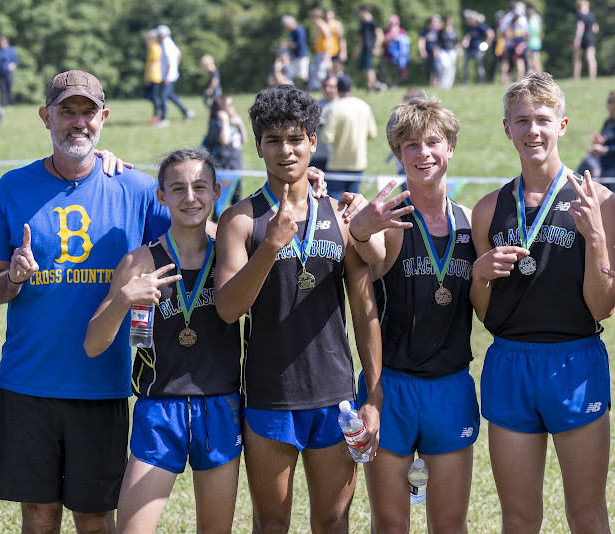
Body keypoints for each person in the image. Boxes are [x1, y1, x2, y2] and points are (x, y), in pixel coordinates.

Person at [0, 70, 171, 534]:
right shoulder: (12, 187)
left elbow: (198, 227)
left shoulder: (135, 188)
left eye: (88, 112)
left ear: (103, 118)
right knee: (38, 514)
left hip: (101, 385)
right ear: (46, 117)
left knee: (94, 517)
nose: (78, 122)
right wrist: (14, 277)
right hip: (28, 382)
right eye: (67, 111)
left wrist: (295, 186)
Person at [213, 84, 383, 533]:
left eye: (295, 138)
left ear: (312, 141)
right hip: (270, 395)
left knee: (334, 522)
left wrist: (374, 394)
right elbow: (228, 309)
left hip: (335, 396)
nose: (285, 150)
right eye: (273, 140)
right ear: (258, 146)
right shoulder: (241, 220)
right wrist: (269, 247)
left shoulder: (341, 216)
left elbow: (364, 309)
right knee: (271, 523)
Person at [471, 72, 615, 533]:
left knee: (587, 513)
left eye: (543, 120)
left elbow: (602, 307)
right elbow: (484, 311)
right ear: (507, 129)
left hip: (575, 361)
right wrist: (480, 274)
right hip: (510, 362)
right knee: (517, 516)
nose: (533, 130)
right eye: (522, 121)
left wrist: (596, 238)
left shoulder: (601, 202)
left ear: (563, 125)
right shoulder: (488, 209)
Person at [84, 149, 241, 534]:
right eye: (178, 188)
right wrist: (123, 299)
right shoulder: (139, 262)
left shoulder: (232, 249)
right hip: (159, 407)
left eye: (200, 187)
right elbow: (93, 344)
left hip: (219, 405)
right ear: (161, 196)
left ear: (216, 192)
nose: (190, 197)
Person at [349, 97, 479, 533]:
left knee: (449, 523)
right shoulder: (390, 221)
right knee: (390, 523)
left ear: (450, 148)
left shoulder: (470, 223)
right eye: (410, 145)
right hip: (392, 387)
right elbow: (370, 248)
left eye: (433, 142)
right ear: (398, 153)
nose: (423, 153)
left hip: (450, 385)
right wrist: (362, 229)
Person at [322, 74, 377, 196]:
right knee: (354, 200)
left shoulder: (335, 108)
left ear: (337, 89)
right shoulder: (364, 106)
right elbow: (372, 133)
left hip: (337, 164)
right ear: (351, 88)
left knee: (334, 200)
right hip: (358, 162)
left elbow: (327, 136)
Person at [202, 94, 247, 217]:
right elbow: (225, 140)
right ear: (222, 108)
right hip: (224, 172)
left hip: (236, 169)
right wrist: (225, 121)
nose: (233, 107)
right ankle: (214, 227)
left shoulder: (232, 124)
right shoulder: (216, 124)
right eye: (230, 105)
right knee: (219, 205)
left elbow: (244, 139)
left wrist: (240, 124)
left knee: (237, 203)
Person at [156, 24, 193, 128]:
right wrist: (175, 68)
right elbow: (178, 55)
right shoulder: (170, 43)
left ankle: (164, 119)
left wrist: (168, 75)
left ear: (162, 35)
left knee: (163, 96)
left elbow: (168, 62)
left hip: (168, 77)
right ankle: (186, 112)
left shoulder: (165, 44)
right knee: (170, 96)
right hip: (171, 75)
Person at [579, 90, 615, 186]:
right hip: (604, 164)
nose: (608, 103)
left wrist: (605, 150)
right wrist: (599, 141)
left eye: (611, 100)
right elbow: (606, 141)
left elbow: (608, 148)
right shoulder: (608, 122)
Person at [310, 74, 339, 172]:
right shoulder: (316, 105)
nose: (327, 89)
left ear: (337, 88)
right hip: (318, 155)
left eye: (331, 86)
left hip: (334, 157)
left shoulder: (340, 105)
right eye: (325, 86)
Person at [353, 5, 384, 92]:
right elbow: (362, 39)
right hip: (364, 49)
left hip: (370, 49)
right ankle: (377, 86)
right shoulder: (363, 24)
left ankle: (369, 88)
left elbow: (380, 35)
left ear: (364, 11)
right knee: (364, 69)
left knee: (368, 69)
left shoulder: (373, 22)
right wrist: (356, 51)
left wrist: (376, 47)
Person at [462, 10, 494, 84]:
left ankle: (481, 82)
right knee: (465, 65)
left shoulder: (480, 26)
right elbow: (468, 35)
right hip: (470, 49)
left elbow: (490, 33)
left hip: (478, 49)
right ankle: (465, 82)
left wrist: (487, 43)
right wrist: (465, 41)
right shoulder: (468, 27)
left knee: (479, 65)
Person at [380, 14, 410, 89]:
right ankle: (383, 85)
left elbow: (406, 43)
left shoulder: (402, 31)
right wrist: (389, 39)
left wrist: (398, 38)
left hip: (398, 56)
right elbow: (381, 41)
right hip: (386, 54)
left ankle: (394, 85)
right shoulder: (385, 31)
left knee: (396, 71)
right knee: (384, 71)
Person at [281, 15, 309, 89]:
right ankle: (293, 89)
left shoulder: (299, 30)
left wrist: (286, 45)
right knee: (291, 74)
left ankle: (307, 89)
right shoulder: (291, 32)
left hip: (301, 56)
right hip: (294, 56)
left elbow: (298, 44)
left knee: (303, 75)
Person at [309, 9, 333, 91]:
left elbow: (329, 39)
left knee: (321, 72)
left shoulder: (322, 25)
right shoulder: (318, 26)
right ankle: (318, 88)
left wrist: (327, 53)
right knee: (317, 71)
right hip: (319, 52)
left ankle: (323, 88)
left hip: (323, 52)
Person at [573, 0, 598, 80]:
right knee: (591, 58)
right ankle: (592, 77)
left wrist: (577, 40)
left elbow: (580, 27)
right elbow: (595, 29)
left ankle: (576, 77)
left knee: (577, 58)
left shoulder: (580, 15)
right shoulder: (592, 15)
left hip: (582, 39)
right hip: (590, 38)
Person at [143, 29, 162, 123]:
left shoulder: (154, 48)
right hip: (153, 76)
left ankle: (157, 114)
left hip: (154, 76)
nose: (145, 40)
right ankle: (157, 111)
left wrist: (148, 77)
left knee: (153, 97)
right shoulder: (153, 48)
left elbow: (153, 64)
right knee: (150, 96)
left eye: (146, 38)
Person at [436, 16, 459, 89]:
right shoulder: (441, 31)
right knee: (445, 66)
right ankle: (442, 83)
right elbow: (438, 42)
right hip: (443, 50)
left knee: (451, 68)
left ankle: (448, 85)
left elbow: (456, 42)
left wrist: (460, 52)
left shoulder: (454, 31)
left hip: (452, 51)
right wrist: (436, 51)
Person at [418, 15, 441, 88]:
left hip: (436, 52)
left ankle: (436, 82)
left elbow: (440, 41)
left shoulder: (437, 31)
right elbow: (421, 41)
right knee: (428, 67)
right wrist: (422, 50)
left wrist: (436, 49)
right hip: (428, 52)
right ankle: (430, 82)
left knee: (436, 67)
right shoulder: (424, 31)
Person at [0, 36, 18, 108]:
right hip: (0, 73)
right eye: (0, 42)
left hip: (8, 73)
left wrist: (13, 66)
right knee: (2, 90)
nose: (1, 43)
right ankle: (4, 105)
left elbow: (15, 61)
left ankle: (10, 104)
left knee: (9, 89)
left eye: (3, 41)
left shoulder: (11, 50)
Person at [325, 9, 347, 76]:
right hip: (326, 51)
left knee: (337, 69)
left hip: (336, 50)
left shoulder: (336, 24)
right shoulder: (323, 24)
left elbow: (341, 39)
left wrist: (343, 51)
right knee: (328, 69)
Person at [525, 3, 542, 74]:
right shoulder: (526, 18)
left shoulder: (536, 18)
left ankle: (541, 77)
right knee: (530, 63)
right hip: (528, 43)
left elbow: (538, 31)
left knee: (535, 61)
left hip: (535, 43)